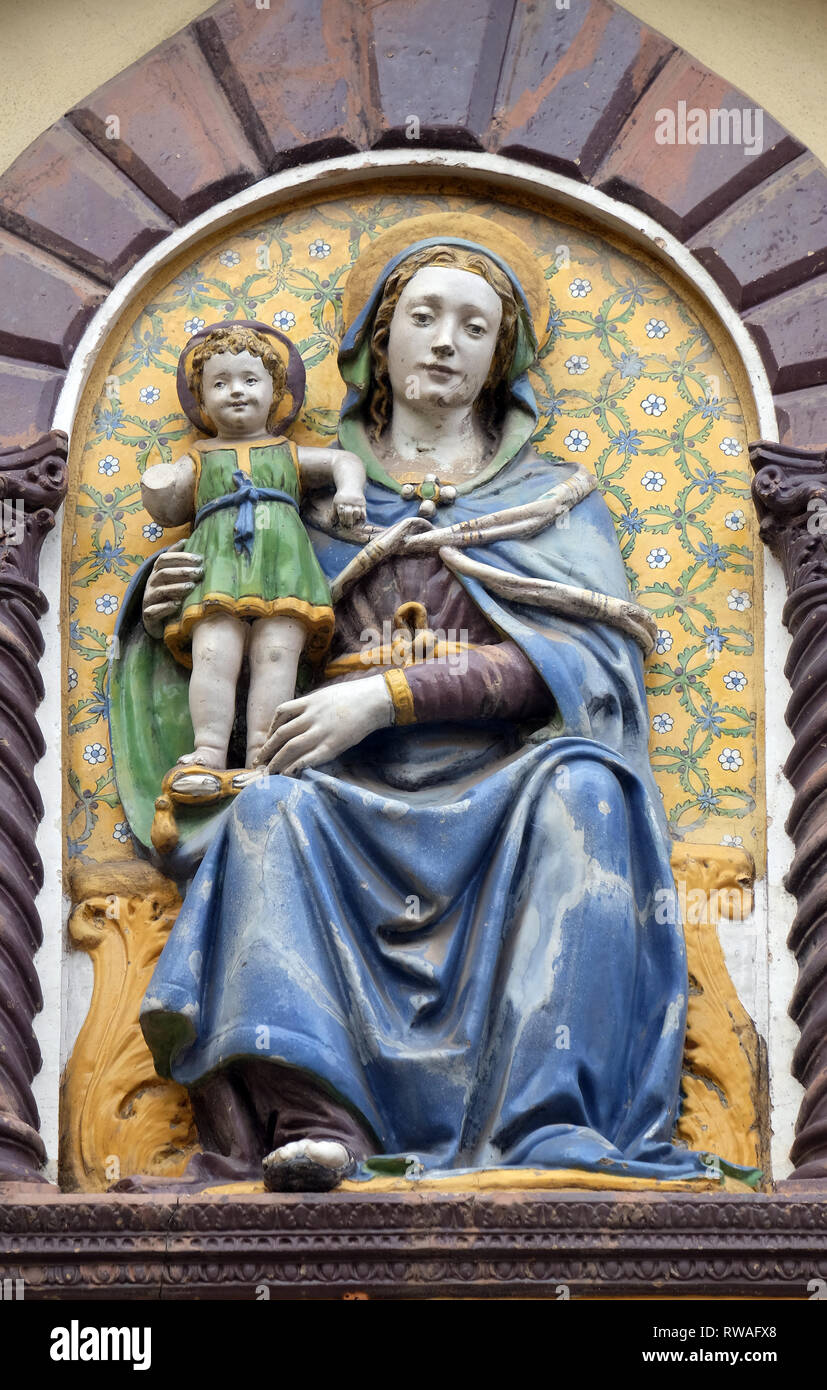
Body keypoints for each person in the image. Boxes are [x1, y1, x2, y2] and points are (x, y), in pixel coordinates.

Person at [122, 222, 750, 1193]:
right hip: (337, 789)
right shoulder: (295, 486)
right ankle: (317, 1124)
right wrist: (165, 612)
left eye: (475, 323)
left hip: (502, 782)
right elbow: (231, 625)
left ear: (504, 354)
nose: (446, 340)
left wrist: (388, 695)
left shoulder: (550, 500)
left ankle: (546, 1122)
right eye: (424, 315)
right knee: (262, 812)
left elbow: (584, 659)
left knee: (585, 789)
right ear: (380, 337)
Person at [140, 322, 366, 772]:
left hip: (283, 569)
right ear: (201, 401)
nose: (236, 392)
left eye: (250, 380)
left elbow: (344, 459)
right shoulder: (200, 458)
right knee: (214, 651)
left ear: (276, 391)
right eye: (219, 384)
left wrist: (349, 492)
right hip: (217, 569)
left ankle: (264, 753)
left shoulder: (286, 453)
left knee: (277, 653)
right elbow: (166, 503)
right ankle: (208, 751)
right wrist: (159, 484)